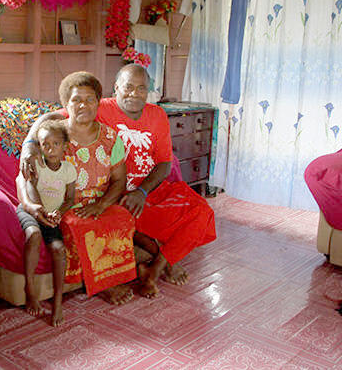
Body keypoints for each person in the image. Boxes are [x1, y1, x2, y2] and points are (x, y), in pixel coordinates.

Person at [21, 64, 216, 298]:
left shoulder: (157, 114)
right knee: (123, 220)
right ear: (116, 89)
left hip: (147, 189)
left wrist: (142, 192)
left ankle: (154, 269)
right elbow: (51, 117)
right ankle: (161, 267)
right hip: (117, 192)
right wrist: (29, 146)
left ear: (148, 91)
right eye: (128, 87)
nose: (134, 93)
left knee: (203, 211)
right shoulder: (97, 106)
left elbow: (164, 163)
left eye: (141, 88)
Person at [17, 71, 137, 306]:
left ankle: (111, 277)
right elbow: (25, 177)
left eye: (90, 99)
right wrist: (34, 206)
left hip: (99, 201)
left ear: (98, 103)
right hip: (64, 203)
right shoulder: (52, 135)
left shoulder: (111, 138)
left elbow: (120, 181)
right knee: (80, 226)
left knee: (122, 218)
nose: (84, 105)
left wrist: (101, 205)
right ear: (65, 104)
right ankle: (104, 285)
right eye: (76, 100)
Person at [15, 120, 77, 326]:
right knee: (33, 234)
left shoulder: (68, 169)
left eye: (56, 144)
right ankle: (30, 290)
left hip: (51, 215)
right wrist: (38, 208)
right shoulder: (36, 163)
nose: (50, 149)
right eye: (45, 145)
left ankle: (58, 302)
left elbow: (70, 198)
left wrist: (58, 213)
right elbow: (27, 185)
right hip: (31, 211)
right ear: (39, 146)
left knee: (59, 250)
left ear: (65, 146)